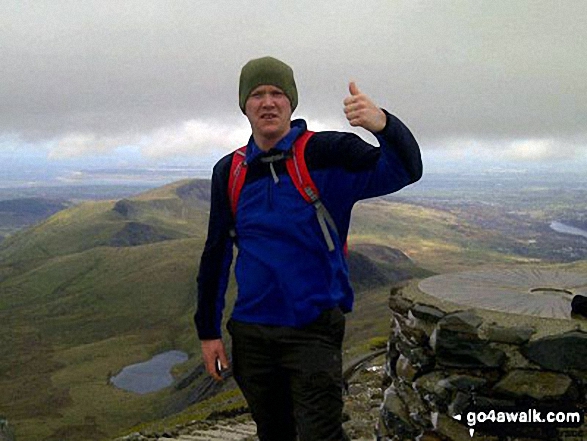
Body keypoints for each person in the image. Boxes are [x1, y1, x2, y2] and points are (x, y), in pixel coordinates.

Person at [195, 56, 422, 441]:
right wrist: (208, 332)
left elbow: (404, 170)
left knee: (320, 434)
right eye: (257, 95)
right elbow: (216, 253)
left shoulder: (326, 153)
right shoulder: (229, 171)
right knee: (274, 432)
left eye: (277, 93)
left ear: (291, 102)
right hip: (251, 333)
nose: (268, 102)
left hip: (312, 330)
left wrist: (383, 124)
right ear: (244, 106)